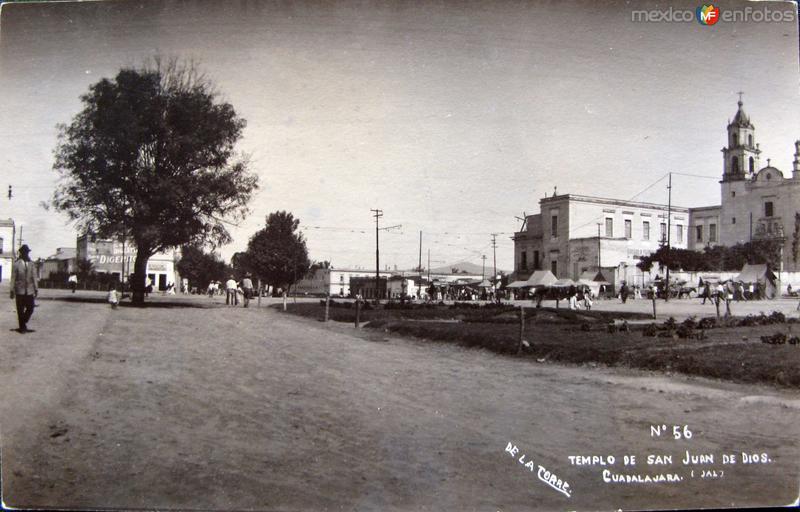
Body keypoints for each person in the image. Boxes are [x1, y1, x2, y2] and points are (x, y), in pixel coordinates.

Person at [10, 245, 38, 333]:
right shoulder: (16, 264)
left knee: (31, 308)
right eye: (24, 252)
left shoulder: (31, 264)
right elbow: (13, 278)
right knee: (20, 309)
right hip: (19, 290)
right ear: (21, 253)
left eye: (27, 252)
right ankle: (22, 328)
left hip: (29, 290)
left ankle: (23, 322)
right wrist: (11, 290)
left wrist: (36, 289)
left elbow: (34, 276)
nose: (26, 254)